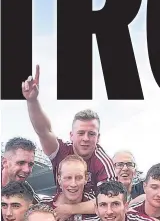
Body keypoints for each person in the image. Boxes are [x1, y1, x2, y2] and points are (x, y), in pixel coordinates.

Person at [22, 65, 115, 194]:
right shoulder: (62, 150)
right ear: (71, 135)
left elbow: (110, 201)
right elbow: (44, 131)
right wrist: (32, 101)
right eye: (81, 133)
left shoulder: (103, 163)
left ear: (98, 138)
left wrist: (68, 209)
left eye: (92, 134)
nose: (86, 138)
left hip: (91, 213)